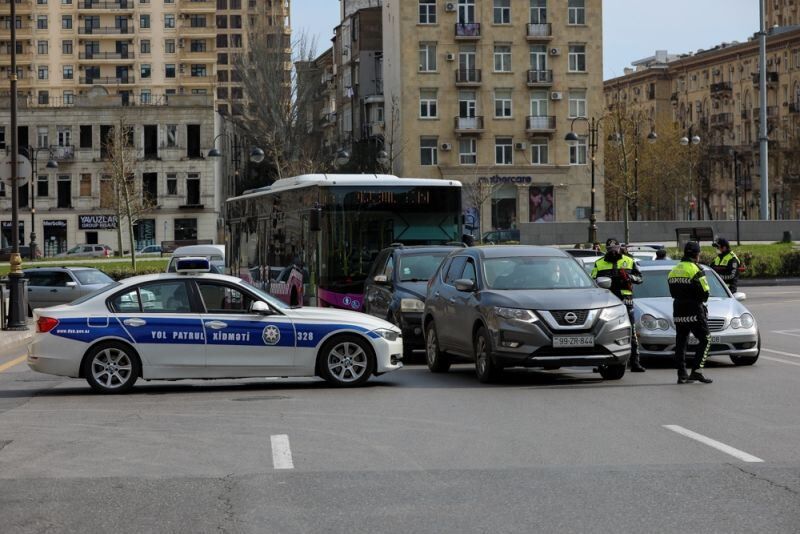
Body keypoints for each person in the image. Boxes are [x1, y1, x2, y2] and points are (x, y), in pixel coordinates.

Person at [591, 238, 645, 372]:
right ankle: (601, 363)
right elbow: (592, 281)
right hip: (607, 302)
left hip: (626, 300)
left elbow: (640, 278)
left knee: (631, 331)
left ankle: (635, 362)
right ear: (606, 250)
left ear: (620, 249)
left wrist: (629, 277)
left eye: (615, 249)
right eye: (610, 250)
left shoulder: (629, 261)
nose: (613, 252)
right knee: (603, 331)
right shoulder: (599, 263)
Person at [668, 241, 713, 384]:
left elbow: (672, 291)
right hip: (694, 309)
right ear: (696, 254)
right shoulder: (696, 269)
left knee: (681, 342)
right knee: (706, 339)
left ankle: (682, 374)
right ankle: (697, 371)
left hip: (678, 309)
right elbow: (705, 293)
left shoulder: (674, 269)